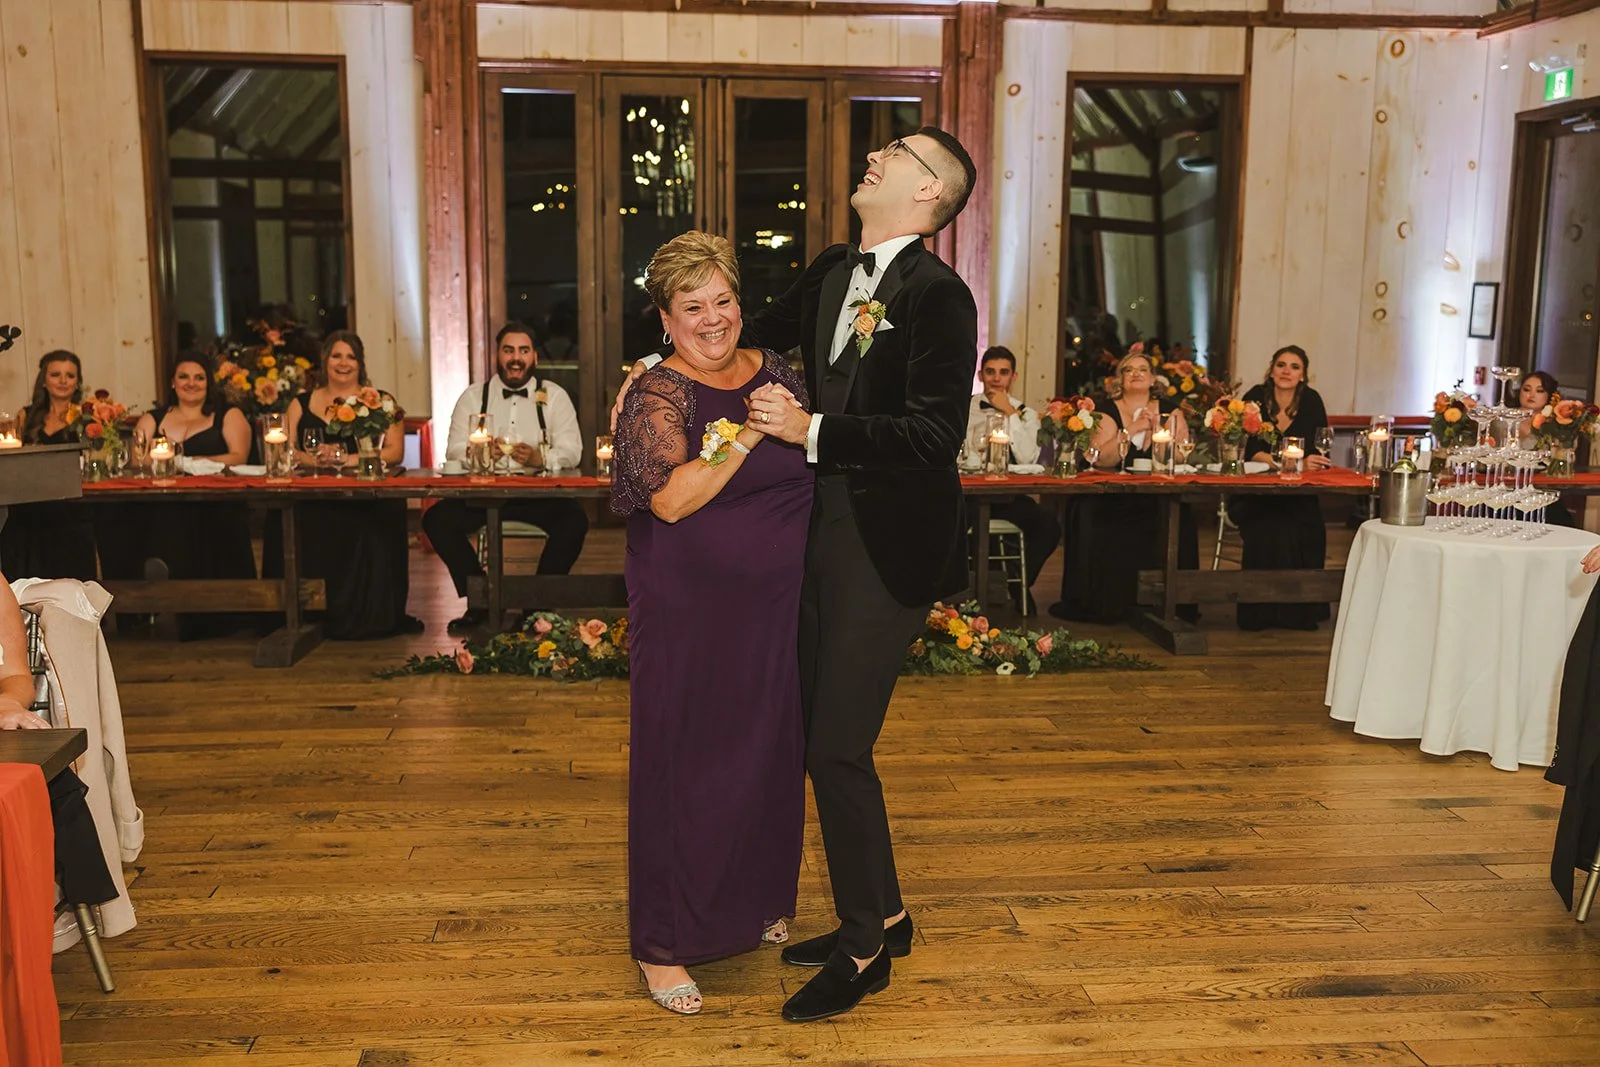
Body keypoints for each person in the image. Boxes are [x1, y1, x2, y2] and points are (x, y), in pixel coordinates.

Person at [617, 127, 979, 1022]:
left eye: (897, 151)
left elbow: (935, 436)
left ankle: (862, 950)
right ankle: (886, 913)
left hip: (888, 552)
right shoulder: (830, 269)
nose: (876, 154)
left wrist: (808, 433)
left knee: (834, 749)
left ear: (929, 193)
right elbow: (735, 338)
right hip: (819, 552)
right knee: (818, 738)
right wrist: (645, 370)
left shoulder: (942, 297)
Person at [611, 232, 813, 1017]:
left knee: (766, 751)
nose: (713, 317)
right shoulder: (658, 394)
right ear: (665, 318)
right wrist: (754, 432)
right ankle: (660, 944)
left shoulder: (779, 371)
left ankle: (753, 896)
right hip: (690, 609)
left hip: (777, 609)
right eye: (692, 305)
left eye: (723, 298)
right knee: (684, 761)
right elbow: (669, 497)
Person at [423, 322, 589, 634]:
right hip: (483, 493)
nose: (515, 358)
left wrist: (542, 458)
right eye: (508, 350)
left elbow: (573, 451)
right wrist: (480, 454)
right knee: (436, 520)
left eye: (523, 351)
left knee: (574, 522)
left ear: (535, 357)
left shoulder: (554, 396)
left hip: (537, 495)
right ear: (497, 356)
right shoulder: (474, 397)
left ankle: (536, 605)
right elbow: (454, 450)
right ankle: (482, 600)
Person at [270, 331, 419, 639]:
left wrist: (342, 457)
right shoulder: (300, 404)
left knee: (372, 518)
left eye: (351, 357)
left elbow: (394, 452)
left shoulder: (380, 402)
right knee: (283, 515)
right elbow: (283, 448)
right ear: (325, 361)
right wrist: (315, 460)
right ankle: (303, 610)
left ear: (360, 364)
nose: (343, 363)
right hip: (314, 494)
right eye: (337, 356)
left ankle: (369, 613)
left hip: (365, 492)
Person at [98, 356, 257, 639]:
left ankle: (216, 609)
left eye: (199, 377)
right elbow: (138, 459)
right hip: (163, 505)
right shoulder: (153, 418)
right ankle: (143, 598)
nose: (191, 383)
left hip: (215, 506)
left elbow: (237, 456)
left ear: (209, 383)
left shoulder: (227, 415)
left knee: (205, 521)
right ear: (173, 382)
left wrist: (185, 461)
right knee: (117, 518)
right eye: (184, 377)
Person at [1050, 350, 1198, 624]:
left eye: (1143, 369)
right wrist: (1131, 429)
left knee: (1181, 516)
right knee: (1098, 517)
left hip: (1156, 492)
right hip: (1114, 494)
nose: (1137, 374)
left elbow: (1180, 457)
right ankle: (1111, 601)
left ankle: (1169, 600)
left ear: (1153, 378)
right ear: (1120, 379)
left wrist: (1160, 438)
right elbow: (1101, 458)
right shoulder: (1107, 410)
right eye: (1129, 370)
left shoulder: (1171, 410)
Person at [1225, 346, 1336, 631]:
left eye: (1294, 366)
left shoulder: (1311, 401)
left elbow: (1319, 449)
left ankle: (1301, 609)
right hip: (1256, 492)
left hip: (1298, 492)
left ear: (1303, 374)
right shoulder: (1254, 398)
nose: (1287, 371)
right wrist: (1281, 462)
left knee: (1305, 525)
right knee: (1269, 525)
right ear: (1271, 369)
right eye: (1281, 364)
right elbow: (1249, 449)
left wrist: (1307, 460)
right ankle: (1258, 611)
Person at [965, 346, 1060, 608]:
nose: (996, 378)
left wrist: (1009, 413)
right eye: (990, 372)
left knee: (1049, 528)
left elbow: (1030, 459)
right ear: (980, 374)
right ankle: (959, 598)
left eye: (1003, 372)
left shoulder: (1027, 415)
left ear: (1013, 377)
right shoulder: (963, 408)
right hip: (968, 496)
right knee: (947, 527)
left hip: (1009, 498)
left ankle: (1016, 581)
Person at [1, 351, 97, 581]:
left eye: (70, 375)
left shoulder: (87, 417)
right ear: (44, 380)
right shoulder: (26, 416)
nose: (63, 381)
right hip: (30, 503)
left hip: (70, 506)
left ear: (77, 382)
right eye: (56, 374)